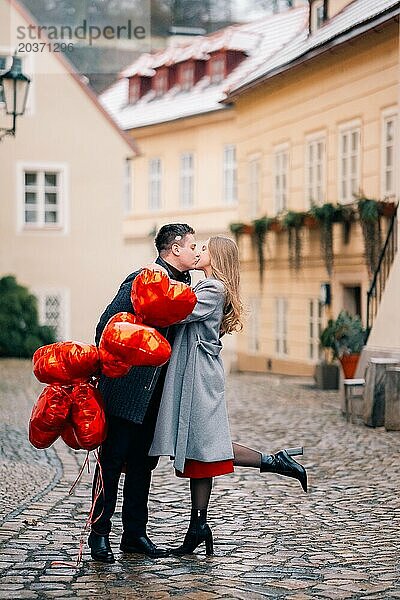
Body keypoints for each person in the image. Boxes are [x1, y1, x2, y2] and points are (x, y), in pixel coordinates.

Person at [149, 236, 307, 556]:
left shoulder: (212, 289)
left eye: (203, 248)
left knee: (209, 447)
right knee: (201, 453)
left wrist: (154, 282)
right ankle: (198, 526)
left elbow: (178, 313)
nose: (197, 252)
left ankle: (274, 461)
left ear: (216, 256)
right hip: (195, 373)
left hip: (200, 377)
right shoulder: (208, 286)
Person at [88, 223, 199, 563]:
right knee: (110, 462)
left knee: (142, 465)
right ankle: (99, 534)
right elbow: (105, 327)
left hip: (158, 394)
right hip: (126, 389)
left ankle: (134, 534)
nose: (197, 251)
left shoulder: (186, 287)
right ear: (175, 248)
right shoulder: (141, 280)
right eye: (192, 245)